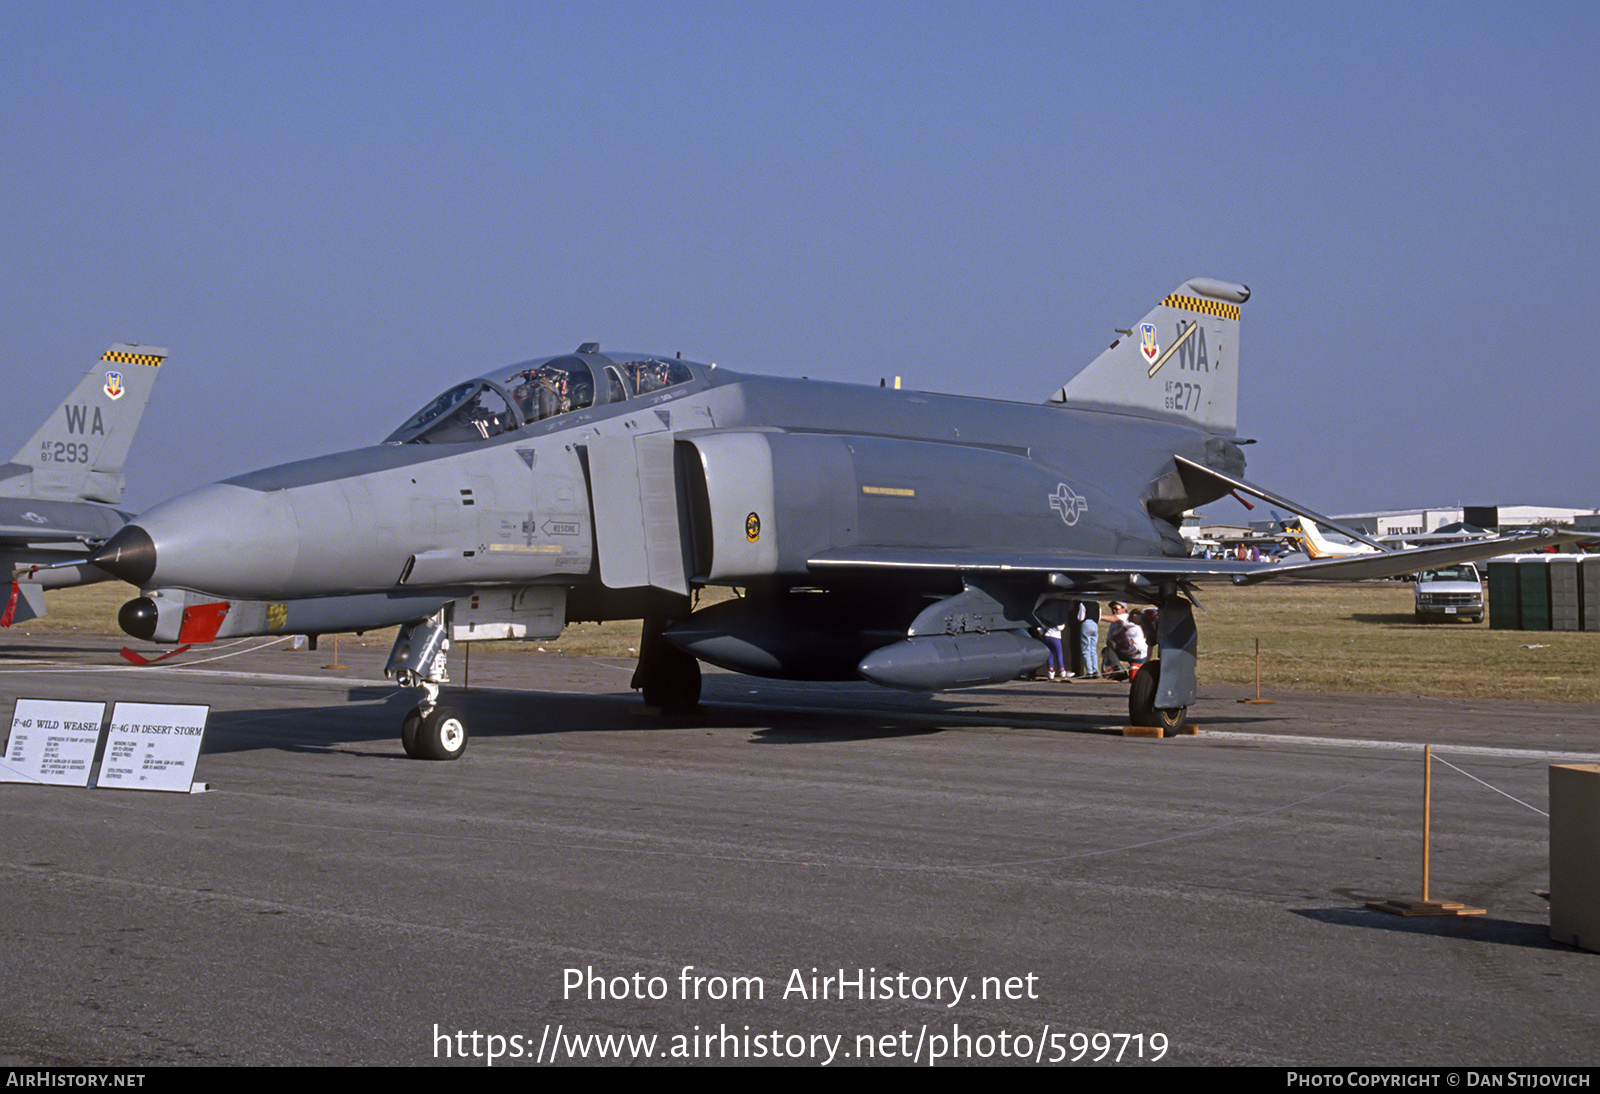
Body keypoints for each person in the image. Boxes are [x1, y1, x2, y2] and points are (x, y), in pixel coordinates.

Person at [1103, 601, 1149, 676]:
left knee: (1136, 677)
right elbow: (1108, 641)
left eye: (1116, 608)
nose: (1114, 611)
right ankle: (1118, 671)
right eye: (1112, 609)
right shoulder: (1113, 625)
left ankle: (1135, 668)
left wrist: (1095, 615)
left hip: (1139, 655)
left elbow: (1114, 618)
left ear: (1124, 609)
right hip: (1125, 653)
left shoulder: (1127, 617)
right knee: (1106, 651)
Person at [1075, 600, 1100, 678]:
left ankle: (1089, 671)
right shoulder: (1097, 604)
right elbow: (1099, 617)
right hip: (1095, 624)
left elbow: (1081, 617)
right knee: (1093, 649)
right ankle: (1095, 670)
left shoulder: (1083, 603)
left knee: (1086, 648)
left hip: (1086, 623)